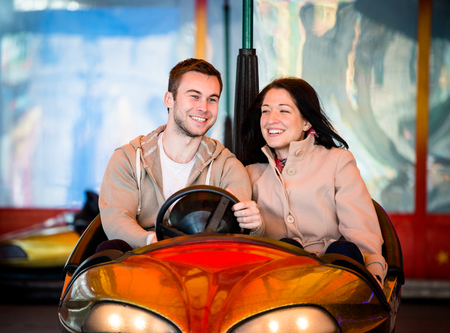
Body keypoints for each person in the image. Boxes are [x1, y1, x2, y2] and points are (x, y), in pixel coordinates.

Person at [99, 58, 262, 250]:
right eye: (194, 96)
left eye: (212, 99)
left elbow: (239, 232)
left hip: (204, 261)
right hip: (144, 261)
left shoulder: (227, 167)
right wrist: (153, 241)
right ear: (169, 99)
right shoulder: (128, 159)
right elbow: (117, 219)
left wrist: (253, 225)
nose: (203, 107)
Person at [241, 77, 387, 285]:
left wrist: (373, 275)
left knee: (345, 252)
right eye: (265, 111)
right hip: (276, 282)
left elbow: (361, 231)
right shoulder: (249, 173)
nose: (271, 119)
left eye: (283, 110)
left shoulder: (337, 161)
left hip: (333, 277)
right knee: (285, 249)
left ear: (306, 121)